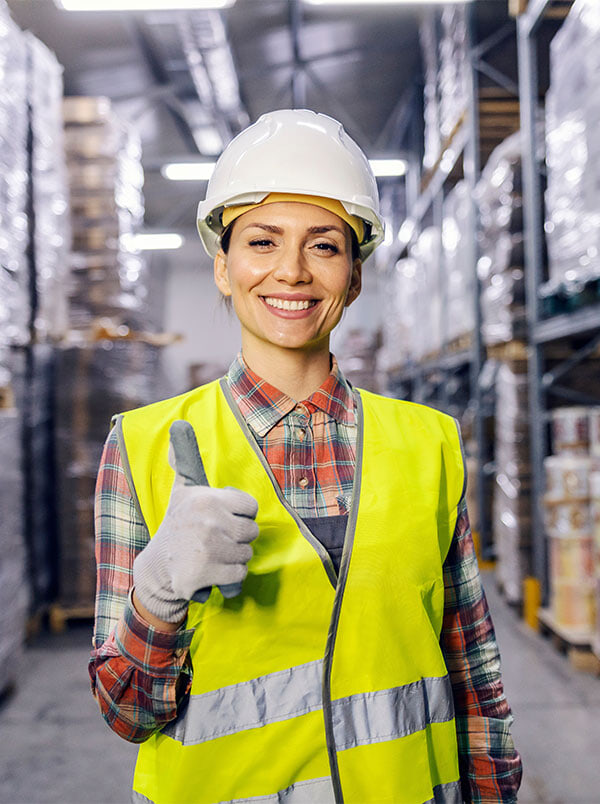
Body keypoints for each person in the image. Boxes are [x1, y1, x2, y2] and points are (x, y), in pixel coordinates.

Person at [89, 109, 522, 804]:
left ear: (353, 277)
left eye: (324, 247)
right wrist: (158, 593)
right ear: (224, 269)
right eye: (262, 242)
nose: (291, 271)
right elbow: (128, 712)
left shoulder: (428, 443)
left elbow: (472, 670)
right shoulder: (143, 446)